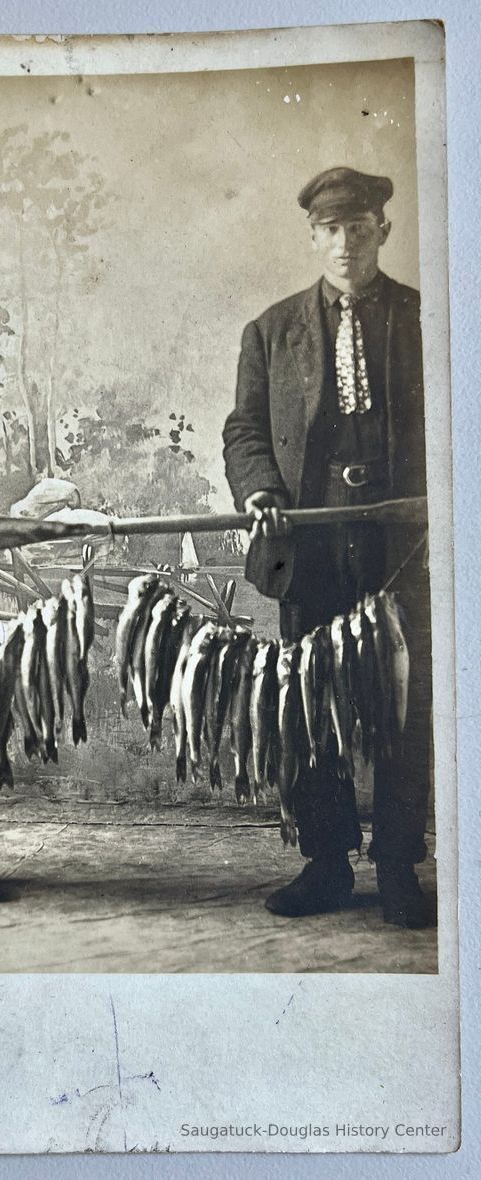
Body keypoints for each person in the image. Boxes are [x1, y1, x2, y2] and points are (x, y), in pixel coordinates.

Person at [222, 167, 432, 929]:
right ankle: (327, 862)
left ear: (383, 230)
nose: (346, 243)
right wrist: (261, 494)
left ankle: (402, 865)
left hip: (403, 541)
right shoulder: (272, 331)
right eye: (331, 231)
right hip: (308, 542)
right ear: (313, 238)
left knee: (404, 703)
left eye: (359, 227)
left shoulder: (425, 317)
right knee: (312, 703)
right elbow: (243, 430)